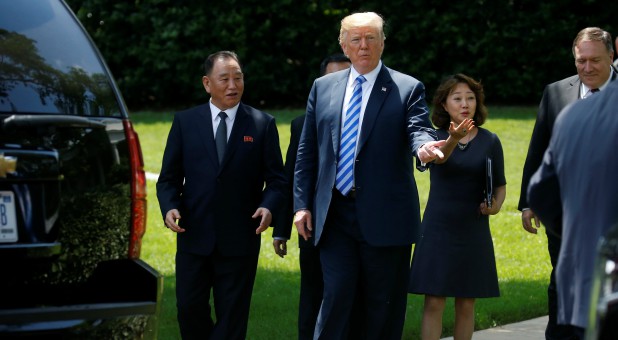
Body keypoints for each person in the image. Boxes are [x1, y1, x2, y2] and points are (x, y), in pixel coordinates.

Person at [293, 12, 460, 339]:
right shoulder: (323, 87)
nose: (364, 45)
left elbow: (418, 130)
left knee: (381, 308)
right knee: (336, 298)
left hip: (386, 217)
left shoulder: (406, 87)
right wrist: (301, 204)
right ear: (344, 44)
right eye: (356, 39)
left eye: (371, 38)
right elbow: (307, 152)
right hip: (336, 214)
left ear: (383, 42)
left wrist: (425, 149)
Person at [156, 51, 286, 340]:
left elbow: (277, 180)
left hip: (240, 236)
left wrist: (268, 207)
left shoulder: (262, 124)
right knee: (189, 309)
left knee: (233, 315)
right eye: (224, 79)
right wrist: (169, 207)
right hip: (194, 235)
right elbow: (168, 179)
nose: (233, 85)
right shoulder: (185, 122)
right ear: (207, 83)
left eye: (238, 78)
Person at [518, 27, 616, 339]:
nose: (587, 68)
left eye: (595, 61)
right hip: (566, 216)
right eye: (580, 61)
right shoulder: (557, 92)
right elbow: (539, 147)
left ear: (612, 57)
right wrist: (530, 203)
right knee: (562, 284)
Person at [408, 74, 506, 340]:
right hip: (438, 228)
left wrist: (495, 206)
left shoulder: (490, 140)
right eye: (458, 98)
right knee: (434, 301)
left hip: (473, 229)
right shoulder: (434, 137)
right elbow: (438, 160)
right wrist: (453, 138)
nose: (465, 104)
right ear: (444, 104)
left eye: (471, 98)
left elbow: (499, 184)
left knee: (466, 302)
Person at [271, 53, 351, 340]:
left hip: (355, 223)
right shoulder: (301, 123)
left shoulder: (367, 121)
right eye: (333, 78)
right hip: (314, 225)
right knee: (313, 294)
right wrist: (281, 229)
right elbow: (293, 173)